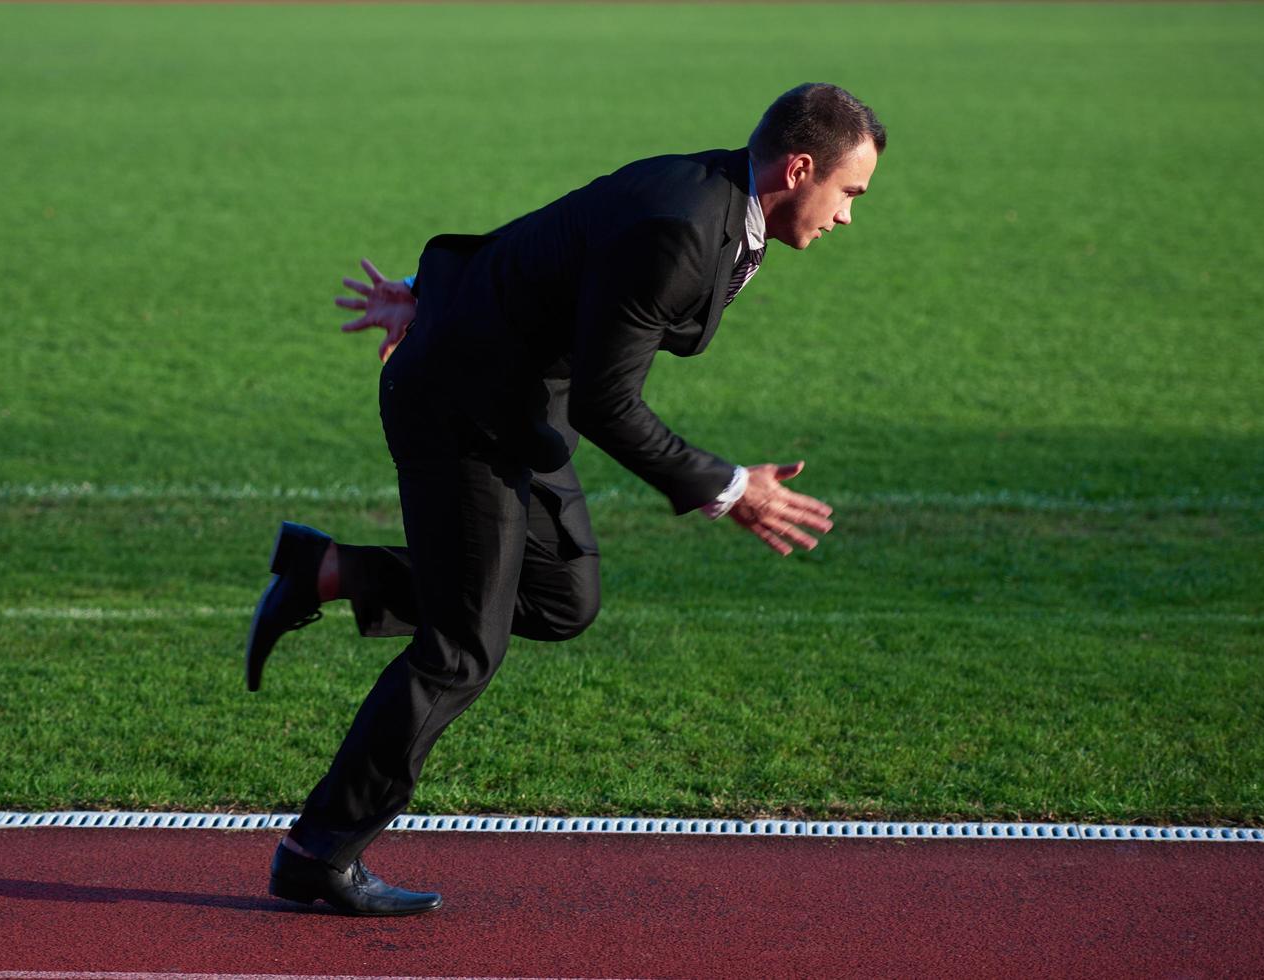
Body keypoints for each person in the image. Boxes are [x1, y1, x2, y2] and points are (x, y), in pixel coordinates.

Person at [246, 82, 885, 916]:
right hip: (458, 409)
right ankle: (316, 852)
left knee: (561, 599)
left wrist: (425, 289)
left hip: (516, 405)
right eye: (848, 193)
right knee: (461, 649)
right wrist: (729, 489)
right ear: (800, 169)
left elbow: (558, 240)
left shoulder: (708, 191)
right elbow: (606, 403)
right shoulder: (681, 223)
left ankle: (327, 570)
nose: (846, 216)